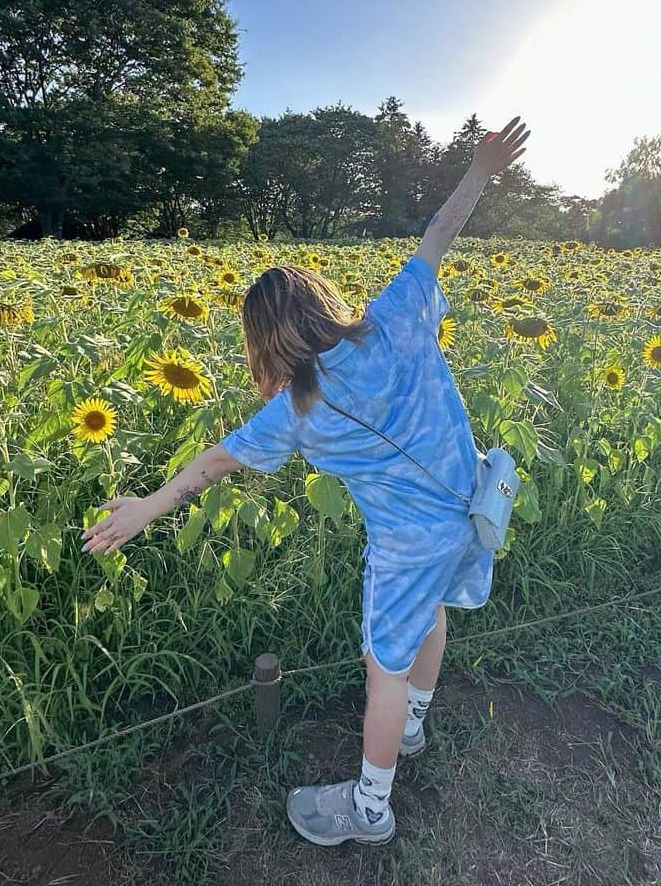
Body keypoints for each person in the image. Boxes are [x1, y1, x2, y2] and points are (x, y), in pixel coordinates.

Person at [80, 117, 530, 846]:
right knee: (434, 615)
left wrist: (147, 507)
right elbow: (437, 236)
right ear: (322, 302)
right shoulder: (398, 316)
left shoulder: (295, 410)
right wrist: (479, 170)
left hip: (405, 547)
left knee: (382, 667)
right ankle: (414, 723)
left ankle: (370, 808)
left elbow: (211, 464)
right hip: (472, 509)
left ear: (263, 341)